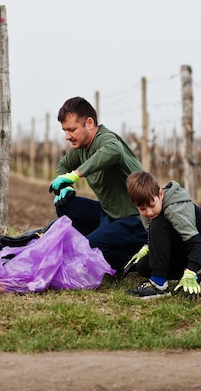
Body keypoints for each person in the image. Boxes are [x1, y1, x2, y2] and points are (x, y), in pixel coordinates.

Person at [49, 96, 147, 272]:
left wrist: (75, 175)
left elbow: (114, 150)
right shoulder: (81, 148)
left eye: (71, 130)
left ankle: (134, 256)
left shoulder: (105, 139)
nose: (67, 136)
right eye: (64, 130)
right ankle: (100, 242)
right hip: (109, 214)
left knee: (88, 247)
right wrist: (65, 186)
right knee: (65, 205)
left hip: (135, 221)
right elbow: (63, 165)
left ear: (89, 123)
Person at [123, 171, 201, 300]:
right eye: (142, 209)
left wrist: (190, 272)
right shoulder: (150, 210)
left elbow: (197, 244)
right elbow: (161, 237)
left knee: (157, 222)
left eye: (152, 206)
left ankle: (160, 285)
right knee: (143, 267)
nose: (149, 212)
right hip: (184, 246)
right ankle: (199, 272)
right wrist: (147, 247)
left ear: (160, 194)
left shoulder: (175, 210)